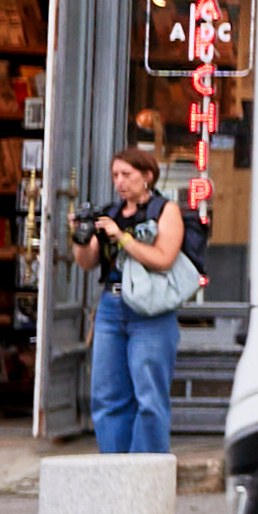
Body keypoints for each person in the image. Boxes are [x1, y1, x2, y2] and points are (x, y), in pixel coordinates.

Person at [76, 145, 192, 459]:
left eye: (127, 174)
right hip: (112, 307)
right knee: (107, 393)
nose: (120, 182)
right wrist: (82, 236)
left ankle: (147, 470)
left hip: (150, 310)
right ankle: (114, 467)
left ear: (147, 176)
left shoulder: (164, 210)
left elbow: (163, 258)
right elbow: (87, 263)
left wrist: (122, 237)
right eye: (115, 175)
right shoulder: (110, 213)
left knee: (149, 395)